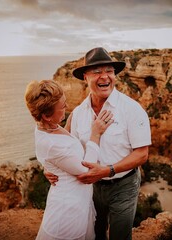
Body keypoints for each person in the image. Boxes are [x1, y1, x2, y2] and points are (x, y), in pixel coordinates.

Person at [46, 47, 152, 240]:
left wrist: (108, 170)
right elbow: (64, 148)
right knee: (95, 233)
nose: (105, 77)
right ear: (85, 77)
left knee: (120, 235)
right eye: (97, 72)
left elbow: (142, 154)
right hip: (90, 187)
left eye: (109, 71)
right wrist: (49, 168)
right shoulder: (78, 113)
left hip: (123, 185)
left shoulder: (132, 109)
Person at [24, 79, 114, 240]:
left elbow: (57, 150)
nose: (67, 109)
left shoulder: (45, 127)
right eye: (63, 107)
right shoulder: (51, 143)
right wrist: (95, 134)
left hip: (77, 200)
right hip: (68, 211)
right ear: (46, 116)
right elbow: (87, 171)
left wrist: (50, 164)